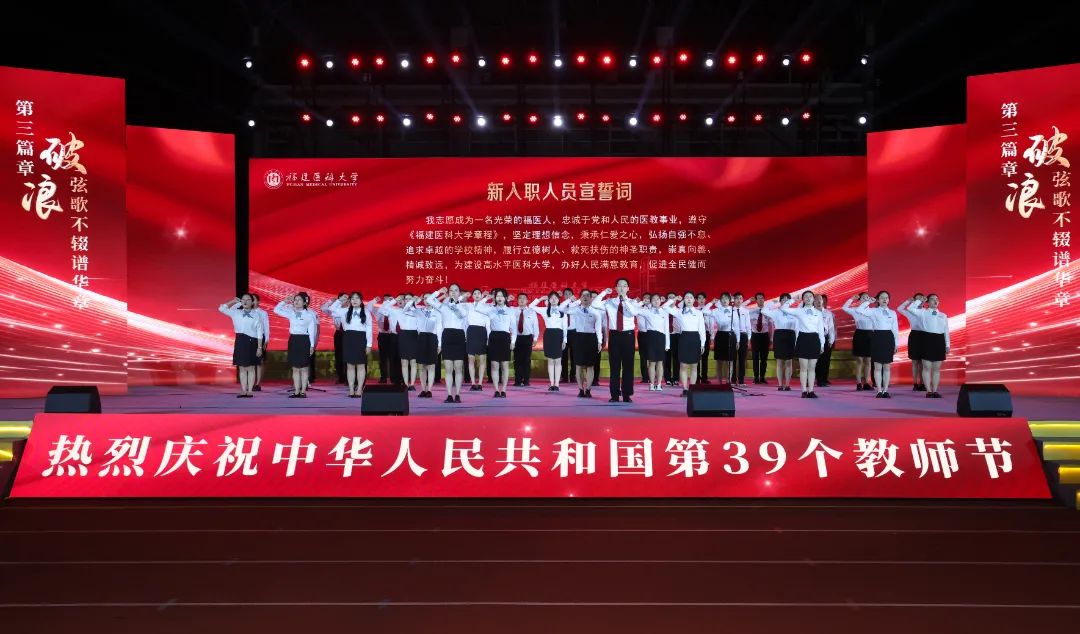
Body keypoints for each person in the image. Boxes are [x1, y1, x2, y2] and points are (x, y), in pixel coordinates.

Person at [592, 279, 640, 403]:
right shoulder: (609, 302)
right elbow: (594, 304)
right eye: (619, 286)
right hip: (614, 335)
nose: (622, 288)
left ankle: (627, 394)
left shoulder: (633, 302)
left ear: (628, 288)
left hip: (628, 336)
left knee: (628, 366)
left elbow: (634, 312)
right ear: (616, 288)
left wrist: (625, 301)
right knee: (614, 366)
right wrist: (604, 293)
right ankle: (614, 394)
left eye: (624, 286)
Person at [321, 292, 373, 398]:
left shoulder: (366, 312)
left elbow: (369, 328)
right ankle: (351, 389)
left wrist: (369, 344)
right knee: (350, 365)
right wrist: (339, 300)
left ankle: (359, 389)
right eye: (352, 298)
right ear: (349, 301)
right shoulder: (344, 311)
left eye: (357, 298)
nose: (354, 300)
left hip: (361, 338)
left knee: (361, 365)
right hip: (348, 338)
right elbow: (331, 309)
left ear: (361, 301)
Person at [849, 291, 900, 398]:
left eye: (886, 297)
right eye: (882, 297)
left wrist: (896, 344)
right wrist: (868, 302)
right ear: (878, 300)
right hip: (877, 337)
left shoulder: (892, 313)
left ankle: (885, 390)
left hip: (888, 338)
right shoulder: (873, 311)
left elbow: (895, 329)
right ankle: (879, 390)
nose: (884, 299)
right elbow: (859, 310)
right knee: (877, 366)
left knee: (887, 367)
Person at [426, 284, 470, 403]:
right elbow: (429, 300)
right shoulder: (443, 307)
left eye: (456, 290)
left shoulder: (464, 307)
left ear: (459, 293)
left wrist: (457, 302)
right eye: (451, 290)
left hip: (459, 336)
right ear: (448, 292)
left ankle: (458, 394)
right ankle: (449, 395)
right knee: (449, 368)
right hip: (447, 336)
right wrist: (439, 291)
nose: (453, 292)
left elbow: (462, 314)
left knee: (458, 368)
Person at [780, 290, 827, 398]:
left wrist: (822, 344)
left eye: (810, 296)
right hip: (803, 339)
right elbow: (783, 308)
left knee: (812, 367)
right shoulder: (799, 311)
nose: (808, 298)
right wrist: (792, 300)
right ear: (803, 299)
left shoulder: (819, 313)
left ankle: (811, 390)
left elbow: (821, 330)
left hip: (814, 339)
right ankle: (804, 391)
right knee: (804, 367)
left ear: (813, 299)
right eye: (806, 296)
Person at [473, 288, 516, 398]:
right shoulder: (490, 309)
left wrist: (513, 341)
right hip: (494, 337)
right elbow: (476, 307)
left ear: (505, 298)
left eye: (501, 296)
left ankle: (504, 390)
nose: (499, 298)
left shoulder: (510, 311)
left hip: (505, 337)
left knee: (505, 365)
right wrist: (486, 298)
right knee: (494, 365)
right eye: (497, 296)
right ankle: (496, 390)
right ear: (495, 298)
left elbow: (514, 328)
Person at [219, 294, 264, 397]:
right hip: (240, 340)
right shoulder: (236, 313)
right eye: (243, 299)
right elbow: (221, 309)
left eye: (248, 299)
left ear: (252, 302)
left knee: (251, 367)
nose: (245, 301)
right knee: (242, 367)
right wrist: (233, 301)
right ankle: (244, 390)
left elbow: (259, 333)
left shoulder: (257, 315)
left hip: (252, 341)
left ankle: (250, 391)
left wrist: (259, 347)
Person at [274, 292, 318, 398]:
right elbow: (276, 310)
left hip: (304, 340)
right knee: (295, 368)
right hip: (293, 340)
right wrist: (284, 301)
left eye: (299, 300)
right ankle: (296, 391)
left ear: (304, 303)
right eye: (295, 300)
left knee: (304, 368)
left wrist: (312, 345)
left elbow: (312, 331)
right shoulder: (291, 313)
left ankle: (303, 391)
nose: (296, 301)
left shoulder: (309, 315)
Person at [906, 293, 950, 398]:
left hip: (939, 341)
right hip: (927, 340)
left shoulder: (943, 315)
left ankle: (935, 391)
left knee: (936, 369)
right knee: (926, 367)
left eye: (937, 299)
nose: (935, 301)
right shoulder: (923, 312)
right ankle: (929, 391)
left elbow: (946, 331)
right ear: (927, 302)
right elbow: (910, 308)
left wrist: (947, 344)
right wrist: (920, 300)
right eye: (932, 299)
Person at [664, 292, 706, 396]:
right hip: (684, 338)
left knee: (694, 365)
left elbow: (702, 329)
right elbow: (665, 307)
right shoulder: (679, 312)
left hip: (695, 338)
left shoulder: (698, 312)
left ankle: (692, 388)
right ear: (684, 300)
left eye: (691, 297)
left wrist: (702, 344)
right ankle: (685, 389)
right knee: (683, 365)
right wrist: (674, 299)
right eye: (686, 298)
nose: (689, 299)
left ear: (694, 300)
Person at [565, 289, 604, 398]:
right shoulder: (576, 310)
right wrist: (572, 301)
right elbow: (561, 309)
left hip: (591, 338)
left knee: (590, 366)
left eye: (587, 296)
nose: (585, 297)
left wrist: (600, 342)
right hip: (578, 338)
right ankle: (581, 389)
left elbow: (598, 328)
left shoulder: (595, 312)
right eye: (583, 296)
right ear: (580, 298)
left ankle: (588, 389)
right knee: (578, 365)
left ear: (591, 298)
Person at [378, 293, 420, 391]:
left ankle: (411, 383)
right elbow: (382, 310)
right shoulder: (396, 311)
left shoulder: (417, 311)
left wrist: (415, 301)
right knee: (402, 361)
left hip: (413, 336)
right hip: (400, 336)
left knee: (413, 361)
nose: (407, 301)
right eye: (406, 299)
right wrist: (394, 300)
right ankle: (402, 382)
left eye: (410, 299)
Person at [530, 292, 568, 391]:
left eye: (556, 298)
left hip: (559, 335)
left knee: (558, 360)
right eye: (551, 298)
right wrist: (540, 299)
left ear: (559, 300)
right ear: (549, 300)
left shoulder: (562, 311)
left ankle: (557, 384)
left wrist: (565, 340)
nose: (554, 300)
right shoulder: (545, 310)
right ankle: (551, 384)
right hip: (549, 335)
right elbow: (531, 306)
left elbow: (565, 327)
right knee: (551, 360)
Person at [762, 293, 797, 391]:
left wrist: (797, 340)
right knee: (780, 362)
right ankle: (780, 385)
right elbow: (763, 310)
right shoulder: (776, 312)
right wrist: (771, 303)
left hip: (790, 335)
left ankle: (787, 385)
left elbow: (797, 327)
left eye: (787, 300)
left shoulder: (794, 312)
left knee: (789, 362)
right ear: (780, 301)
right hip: (779, 335)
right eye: (783, 300)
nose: (785, 301)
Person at [842, 292, 875, 391]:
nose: (866, 299)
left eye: (867, 297)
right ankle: (859, 383)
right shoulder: (855, 310)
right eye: (863, 298)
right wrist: (851, 299)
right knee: (859, 360)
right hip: (859, 334)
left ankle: (867, 383)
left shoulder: (873, 311)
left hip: (870, 335)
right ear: (860, 300)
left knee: (868, 360)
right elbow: (844, 308)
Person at [638, 293, 671, 391]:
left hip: (661, 337)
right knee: (652, 362)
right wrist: (641, 302)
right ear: (650, 301)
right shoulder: (647, 311)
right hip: (650, 336)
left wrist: (667, 344)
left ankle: (659, 384)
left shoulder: (664, 311)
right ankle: (652, 384)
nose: (656, 301)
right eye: (654, 299)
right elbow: (634, 310)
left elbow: (666, 328)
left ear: (661, 301)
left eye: (657, 299)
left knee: (660, 362)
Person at [414, 293, 443, 399]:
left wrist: (439, 344)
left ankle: (429, 390)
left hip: (432, 338)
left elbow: (440, 328)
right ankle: (423, 389)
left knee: (431, 366)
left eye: (429, 298)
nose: (427, 300)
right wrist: (417, 300)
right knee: (421, 366)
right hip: (421, 338)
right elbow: (407, 308)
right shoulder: (419, 311)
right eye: (425, 298)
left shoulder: (437, 312)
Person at [703, 293, 735, 385]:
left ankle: (728, 381)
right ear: (720, 301)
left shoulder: (733, 310)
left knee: (730, 361)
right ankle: (719, 382)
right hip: (720, 335)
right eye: (723, 299)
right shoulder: (716, 311)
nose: (725, 300)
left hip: (731, 335)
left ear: (729, 300)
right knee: (719, 360)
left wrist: (737, 340)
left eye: (727, 299)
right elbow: (704, 311)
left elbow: (737, 325)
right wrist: (711, 302)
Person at [899, 293, 929, 391]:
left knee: (924, 362)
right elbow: (899, 309)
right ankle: (915, 383)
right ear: (914, 301)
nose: (920, 300)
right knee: (915, 362)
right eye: (918, 299)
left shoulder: (927, 311)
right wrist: (908, 301)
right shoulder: (910, 312)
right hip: (914, 336)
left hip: (926, 336)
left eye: (922, 298)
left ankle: (923, 383)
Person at [463, 288, 490, 390]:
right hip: (471, 331)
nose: (477, 295)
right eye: (475, 293)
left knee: (482, 359)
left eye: (479, 293)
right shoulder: (468, 306)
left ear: (481, 295)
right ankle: (473, 383)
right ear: (472, 296)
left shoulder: (486, 306)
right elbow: (465, 321)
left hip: (482, 331)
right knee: (471, 359)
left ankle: (480, 383)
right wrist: (465, 334)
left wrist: (489, 337)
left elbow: (488, 322)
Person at [512, 292, 539, 386]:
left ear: (527, 301)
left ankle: (526, 380)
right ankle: (518, 380)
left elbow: (535, 326)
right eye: (520, 298)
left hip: (528, 338)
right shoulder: (513, 311)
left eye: (524, 298)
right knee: (517, 359)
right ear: (517, 300)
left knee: (527, 359)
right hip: (516, 338)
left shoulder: (532, 311)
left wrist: (535, 338)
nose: (522, 300)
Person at [376, 294, 402, 385]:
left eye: (389, 300)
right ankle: (385, 377)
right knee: (385, 358)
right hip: (386, 336)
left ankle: (397, 378)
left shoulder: (398, 310)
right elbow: (381, 310)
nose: (387, 301)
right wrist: (390, 301)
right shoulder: (388, 310)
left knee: (396, 358)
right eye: (385, 300)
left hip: (398, 336)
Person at [747, 292, 772, 384]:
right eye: (758, 298)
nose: (760, 300)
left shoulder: (768, 311)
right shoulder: (751, 311)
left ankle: (762, 377)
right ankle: (756, 377)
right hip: (755, 336)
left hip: (765, 336)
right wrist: (749, 301)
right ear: (756, 300)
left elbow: (771, 326)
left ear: (764, 300)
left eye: (762, 298)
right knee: (755, 357)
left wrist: (771, 339)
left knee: (764, 358)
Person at [815, 294, 836, 388]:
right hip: (814, 337)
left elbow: (831, 327)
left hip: (825, 337)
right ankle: (813, 378)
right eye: (818, 300)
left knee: (824, 360)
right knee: (814, 360)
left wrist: (831, 339)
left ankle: (822, 380)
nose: (820, 302)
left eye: (822, 300)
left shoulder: (828, 313)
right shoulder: (810, 312)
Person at [730, 292, 751, 386]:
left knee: (742, 358)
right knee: (733, 358)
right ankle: (733, 379)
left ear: (742, 300)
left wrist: (749, 337)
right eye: (737, 298)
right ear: (733, 300)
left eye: (740, 298)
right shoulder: (730, 310)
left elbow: (748, 325)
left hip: (743, 335)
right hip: (733, 335)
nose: (738, 300)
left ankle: (741, 380)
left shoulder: (745, 311)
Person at [250, 293, 270, 391]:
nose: (251, 302)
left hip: (260, 338)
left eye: (253, 299)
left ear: (258, 301)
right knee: (250, 362)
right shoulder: (246, 312)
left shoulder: (263, 313)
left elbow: (266, 327)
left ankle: (258, 384)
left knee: (259, 362)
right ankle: (250, 382)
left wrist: (266, 340)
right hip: (249, 338)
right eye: (250, 300)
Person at [329, 292, 348, 384]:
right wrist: (338, 301)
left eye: (345, 299)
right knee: (339, 355)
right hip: (338, 334)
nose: (343, 301)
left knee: (348, 355)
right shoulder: (338, 310)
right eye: (341, 299)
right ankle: (341, 377)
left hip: (348, 334)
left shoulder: (350, 309)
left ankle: (348, 377)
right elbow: (329, 309)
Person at [560, 287, 576, 384]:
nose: (568, 296)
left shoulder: (576, 305)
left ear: (572, 295)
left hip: (574, 332)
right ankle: (564, 377)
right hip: (563, 332)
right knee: (563, 356)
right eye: (565, 294)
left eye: (569, 294)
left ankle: (573, 376)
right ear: (563, 296)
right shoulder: (561, 306)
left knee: (574, 356)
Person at [664, 291, 680, 387]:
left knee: (676, 358)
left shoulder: (679, 310)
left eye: (673, 297)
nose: (672, 299)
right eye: (670, 297)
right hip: (666, 335)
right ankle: (667, 378)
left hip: (676, 335)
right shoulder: (664, 310)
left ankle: (676, 378)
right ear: (667, 300)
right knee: (666, 358)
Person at [696, 292, 712, 384]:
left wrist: (712, 336)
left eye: (703, 298)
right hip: (697, 334)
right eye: (699, 298)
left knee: (705, 356)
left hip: (706, 333)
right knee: (697, 357)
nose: (701, 300)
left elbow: (711, 323)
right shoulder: (694, 310)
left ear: (705, 300)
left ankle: (704, 378)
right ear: (696, 300)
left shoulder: (708, 310)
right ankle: (697, 377)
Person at [637, 292, 652, 384]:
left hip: (652, 334)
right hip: (642, 334)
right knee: (643, 356)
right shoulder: (638, 309)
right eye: (645, 298)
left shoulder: (654, 309)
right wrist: (639, 303)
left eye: (648, 298)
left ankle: (652, 376)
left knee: (652, 356)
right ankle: (645, 377)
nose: (646, 299)